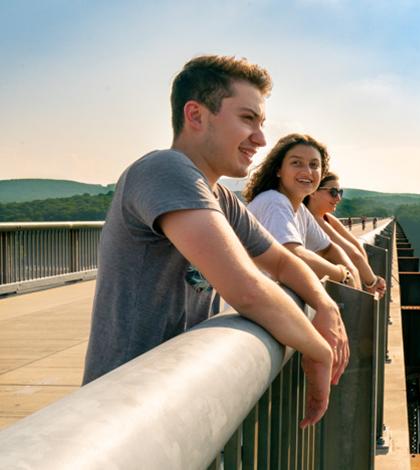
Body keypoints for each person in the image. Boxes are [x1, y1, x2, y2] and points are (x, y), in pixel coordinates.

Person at [82, 55, 347, 428]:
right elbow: (246, 288)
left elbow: (283, 262)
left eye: (261, 122)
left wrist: (324, 305)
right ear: (196, 115)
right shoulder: (165, 169)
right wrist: (318, 349)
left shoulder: (220, 197)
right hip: (121, 412)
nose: (260, 138)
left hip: (170, 401)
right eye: (247, 119)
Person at [244, 134, 362, 290]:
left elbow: (328, 249)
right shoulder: (274, 202)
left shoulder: (299, 210)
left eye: (314, 165)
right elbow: (292, 253)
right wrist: (342, 274)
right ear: (278, 169)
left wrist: (351, 272)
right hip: (244, 308)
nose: (307, 171)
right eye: (296, 163)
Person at [305, 172, 386, 296]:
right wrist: (372, 281)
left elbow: (356, 249)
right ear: (313, 191)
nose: (338, 198)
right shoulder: (315, 220)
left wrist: (368, 279)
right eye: (333, 192)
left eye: (340, 192)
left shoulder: (326, 217)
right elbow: (354, 253)